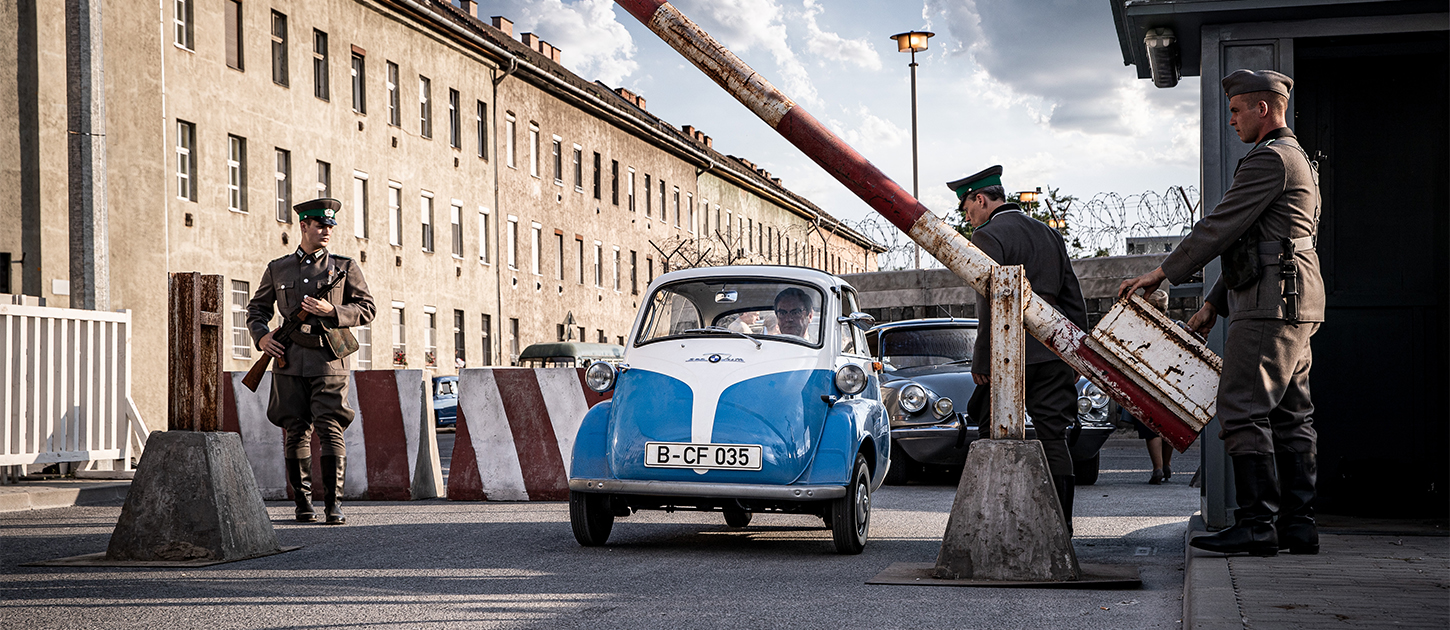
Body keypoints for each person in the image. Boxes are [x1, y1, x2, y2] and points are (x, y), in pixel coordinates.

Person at [1120, 69, 1322, 557]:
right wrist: (1214, 302)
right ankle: (1297, 525)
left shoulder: (1269, 160)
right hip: (1292, 302)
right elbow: (1259, 242)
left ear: (1263, 108)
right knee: (1292, 416)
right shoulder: (1298, 161)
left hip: (1268, 304)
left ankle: (1257, 526)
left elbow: (1221, 228)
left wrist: (1162, 273)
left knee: (1239, 410)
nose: (1231, 120)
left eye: (1236, 110)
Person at [952, 165, 1089, 531]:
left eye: (967, 208)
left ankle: (994, 524)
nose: (968, 217)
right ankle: (1061, 527)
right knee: (1053, 437)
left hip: (1010, 353)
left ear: (981, 199)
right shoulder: (1049, 233)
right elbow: (1073, 297)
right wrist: (1077, 352)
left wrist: (983, 359)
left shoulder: (987, 236)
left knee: (989, 431)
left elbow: (989, 303)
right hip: (1053, 350)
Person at [248, 198, 376, 525]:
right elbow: (257, 310)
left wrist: (332, 311)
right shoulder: (279, 268)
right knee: (295, 430)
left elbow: (367, 309)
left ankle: (334, 506)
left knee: (331, 427)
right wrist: (262, 337)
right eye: (320, 225)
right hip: (288, 360)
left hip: (328, 359)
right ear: (303, 226)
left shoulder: (344, 268)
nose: (327, 231)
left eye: (330, 226)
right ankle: (303, 504)